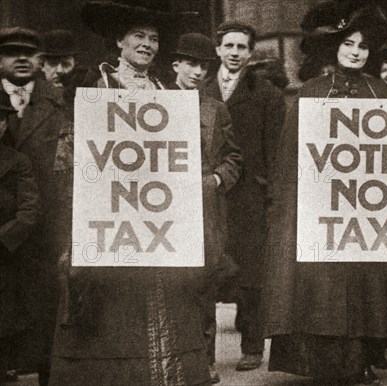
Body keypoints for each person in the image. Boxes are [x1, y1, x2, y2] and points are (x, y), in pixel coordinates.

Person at [49, 2, 241, 385]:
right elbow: (71, 155)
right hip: (112, 217)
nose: (147, 44)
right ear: (119, 41)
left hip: (156, 224)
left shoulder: (167, 93)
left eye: (154, 39)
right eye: (138, 36)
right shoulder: (92, 87)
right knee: (113, 311)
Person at [262, 4, 387, 384]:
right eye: (348, 43)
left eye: (363, 46)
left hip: (367, 213)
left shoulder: (381, 92)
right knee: (325, 290)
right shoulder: (310, 94)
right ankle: (326, 363)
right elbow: (291, 159)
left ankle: (362, 359)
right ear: (334, 47)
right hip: (322, 213)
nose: (356, 52)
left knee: (366, 287)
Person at [202, 21, 286, 372]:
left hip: (250, 194)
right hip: (211, 192)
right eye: (229, 46)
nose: (235, 53)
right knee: (209, 267)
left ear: (251, 53)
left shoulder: (267, 94)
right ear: (218, 49)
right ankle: (202, 350)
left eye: (242, 47)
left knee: (251, 273)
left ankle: (252, 345)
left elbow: (276, 149)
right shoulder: (200, 90)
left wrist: (271, 193)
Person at [168, 31, 242, 384]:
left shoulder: (215, 108)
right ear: (175, 66)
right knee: (168, 283)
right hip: (164, 207)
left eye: (204, 67)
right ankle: (168, 357)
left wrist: (215, 181)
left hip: (206, 208)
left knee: (204, 285)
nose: (198, 72)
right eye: (191, 65)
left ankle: (205, 362)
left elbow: (233, 157)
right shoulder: (155, 102)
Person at [0, 26, 70, 386]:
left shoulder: (59, 102)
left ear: (41, 61)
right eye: (13, 52)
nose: (22, 58)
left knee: (46, 305)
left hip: (47, 224)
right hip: (2, 228)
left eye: (30, 53)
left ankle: (47, 371)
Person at [0, 101, 41, 386]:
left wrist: (3, 239)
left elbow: (30, 211)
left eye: (1, 120)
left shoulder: (17, 162)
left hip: (5, 255)